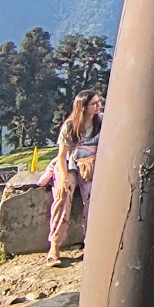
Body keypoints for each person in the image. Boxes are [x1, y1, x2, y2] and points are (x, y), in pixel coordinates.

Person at [47, 91, 102, 265]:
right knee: (63, 196)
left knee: (93, 195)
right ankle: (55, 246)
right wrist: (63, 179)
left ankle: (91, 244)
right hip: (70, 163)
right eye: (94, 104)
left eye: (98, 102)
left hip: (91, 164)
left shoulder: (101, 121)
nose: (98, 106)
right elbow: (62, 156)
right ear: (84, 108)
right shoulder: (70, 126)